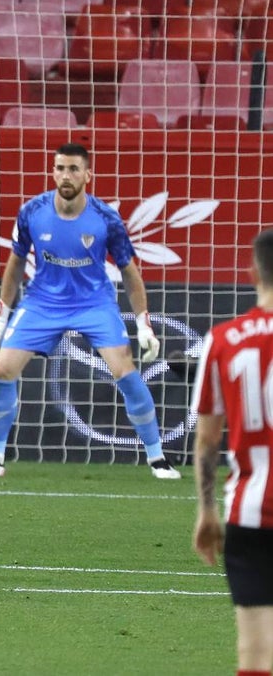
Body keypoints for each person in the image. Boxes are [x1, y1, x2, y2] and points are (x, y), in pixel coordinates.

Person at [0, 143, 180, 479]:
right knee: (3, 370)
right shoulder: (32, 211)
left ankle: (157, 457)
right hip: (41, 303)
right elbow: (16, 262)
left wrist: (144, 324)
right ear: (53, 172)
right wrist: (1, 316)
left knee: (125, 371)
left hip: (94, 304)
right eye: (60, 168)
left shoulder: (106, 218)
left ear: (88, 175)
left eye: (74, 169)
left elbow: (129, 271)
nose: (66, 175)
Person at [192, 228, 273, 676]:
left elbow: (207, 440)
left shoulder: (223, 340)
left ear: (253, 271)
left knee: (255, 659)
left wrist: (207, 511)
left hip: (249, 514)